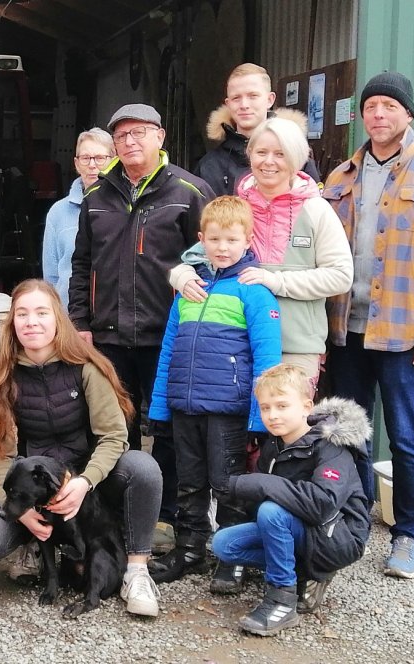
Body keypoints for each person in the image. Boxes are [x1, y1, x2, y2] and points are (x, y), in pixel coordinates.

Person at [322, 71, 414, 579]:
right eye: (371, 106)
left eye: (389, 106)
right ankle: (355, 522)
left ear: (408, 114)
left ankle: (409, 535)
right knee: (348, 434)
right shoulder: (340, 177)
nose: (379, 114)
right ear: (361, 116)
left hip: (405, 334)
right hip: (346, 329)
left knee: (405, 436)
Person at [0, 279, 164, 617]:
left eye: (41, 313)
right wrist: (21, 512)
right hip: (34, 489)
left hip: (87, 480)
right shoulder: (3, 379)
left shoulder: (86, 367)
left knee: (142, 468)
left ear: (58, 318)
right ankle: (33, 542)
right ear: (12, 323)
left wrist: (85, 482)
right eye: (22, 314)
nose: (32, 322)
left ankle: (136, 570)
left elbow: (114, 436)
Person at [68, 103, 214, 551]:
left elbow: (210, 262)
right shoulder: (97, 195)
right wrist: (79, 322)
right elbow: (82, 264)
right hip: (107, 336)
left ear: (160, 137)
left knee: (169, 428)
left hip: (167, 335)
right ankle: (119, 513)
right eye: (122, 135)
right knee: (115, 427)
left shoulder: (189, 191)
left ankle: (165, 515)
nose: (130, 141)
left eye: (140, 133)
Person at [148, 196, 282, 589]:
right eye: (215, 239)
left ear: (248, 240)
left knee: (228, 483)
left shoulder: (253, 291)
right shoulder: (189, 291)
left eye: (232, 240)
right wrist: (159, 408)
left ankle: (231, 554)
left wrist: (260, 416)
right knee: (189, 481)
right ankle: (190, 549)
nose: (223, 248)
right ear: (201, 239)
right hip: (185, 406)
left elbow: (267, 358)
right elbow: (168, 352)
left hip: (228, 409)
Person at [171, 116, 352, 383]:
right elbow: (201, 254)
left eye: (280, 154)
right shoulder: (237, 207)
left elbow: (340, 276)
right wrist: (182, 276)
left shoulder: (317, 210)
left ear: (296, 159)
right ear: (250, 155)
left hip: (295, 347)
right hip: (236, 342)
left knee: (286, 411)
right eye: (261, 152)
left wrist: (276, 281)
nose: (269, 162)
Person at [214, 364, 371, 637]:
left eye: (282, 406)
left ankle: (282, 599)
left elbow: (322, 504)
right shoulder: (273, 445)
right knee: (224, 544)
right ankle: (306, 573)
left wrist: (259, 484)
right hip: (298, 529)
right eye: (265, 408)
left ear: (306, 407)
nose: (272, 415)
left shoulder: (331, 446)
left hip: (338, 538)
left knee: (271, 511)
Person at [196, 63, 321, 197]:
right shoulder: (209, 166)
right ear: (228, 103)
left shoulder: (297, 158)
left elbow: (314, 205)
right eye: (236, 98)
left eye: (253, 96)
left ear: (270, 100)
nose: (244, 105)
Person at [42, 128, 115, 309]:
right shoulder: (58, 212)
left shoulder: (125, 208)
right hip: (68, 315)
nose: (92, 165)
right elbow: (51, 277)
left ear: (114, 161)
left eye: (100, 158)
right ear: (76, 163)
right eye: (85, 158)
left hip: (111, 315)